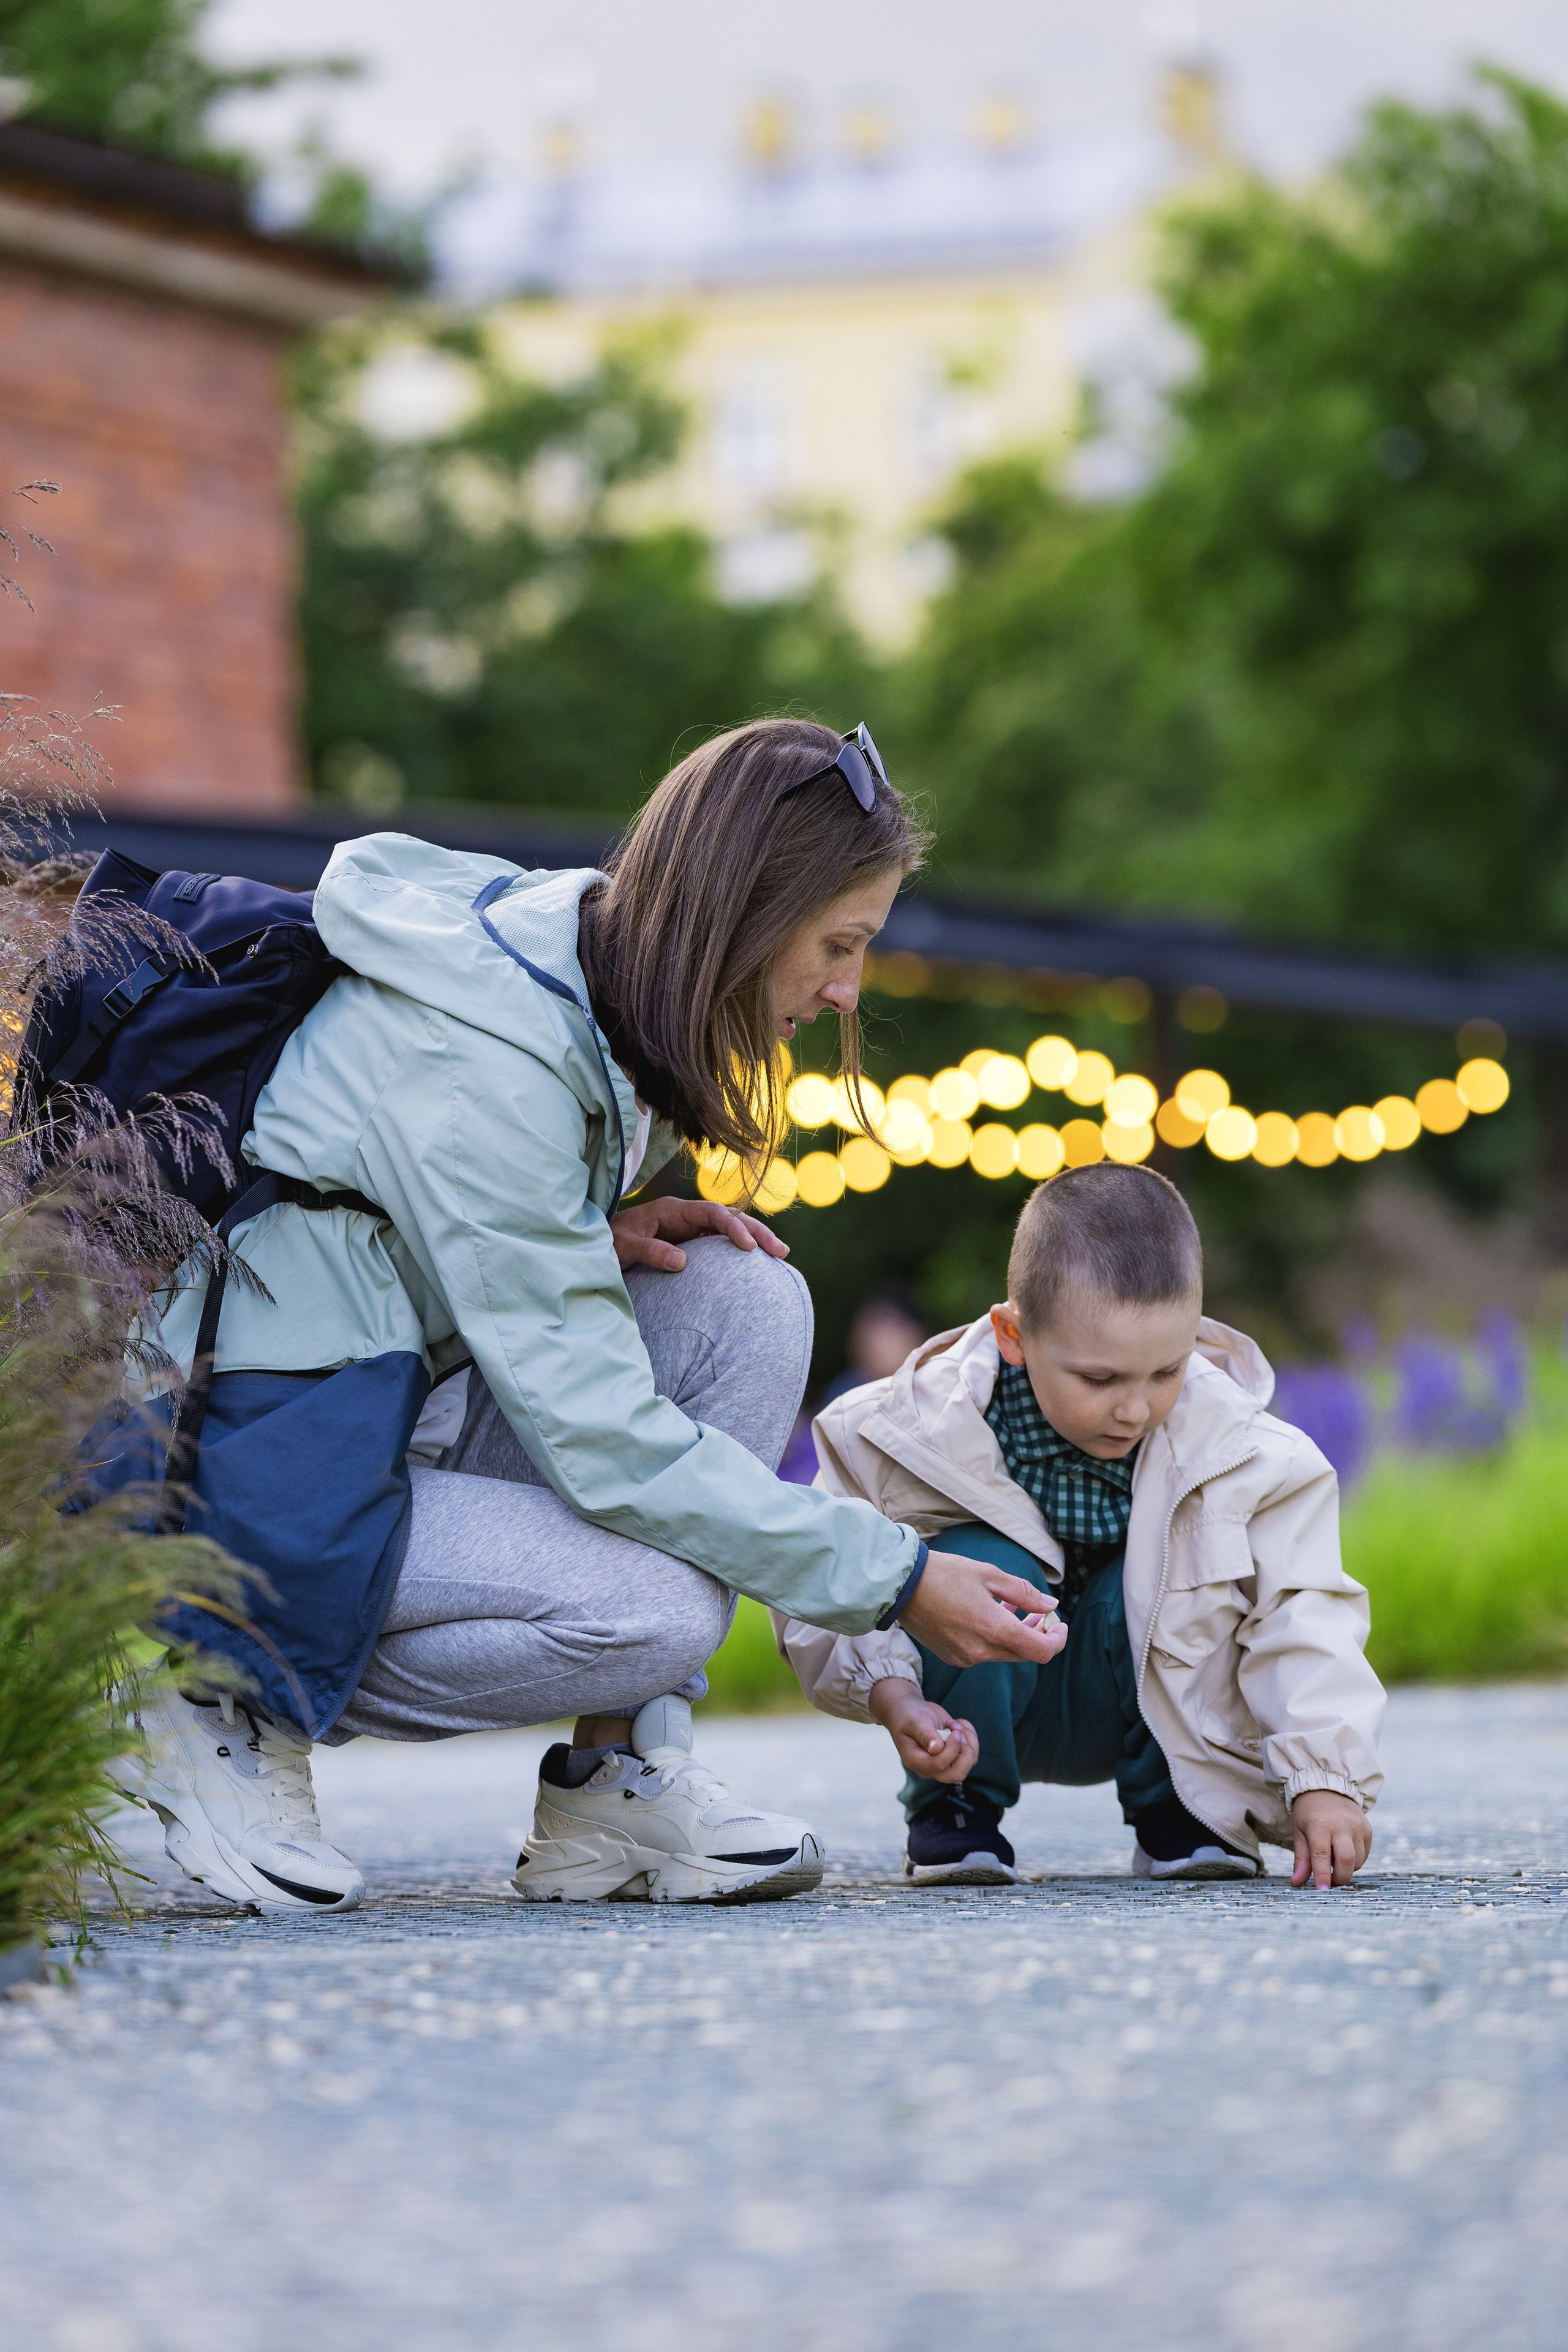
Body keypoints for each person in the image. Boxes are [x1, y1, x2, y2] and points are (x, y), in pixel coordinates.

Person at [111, 718, 1065, 1913]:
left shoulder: (592, 971)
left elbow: (405, 1200)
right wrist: (895, 1577)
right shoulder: (497, 1052)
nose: (845, 989)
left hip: (379, 1389)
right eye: (837, 943)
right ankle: (218, 1693)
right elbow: (603, 1444)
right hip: (238, 1447)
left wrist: (574, 1230)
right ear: (743, 910)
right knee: (655, 1611)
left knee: (742, 1300)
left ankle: (612, 1793)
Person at [775, 1162, 1385, 1890]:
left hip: (1149, 1705)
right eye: (1099, 1380)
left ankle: (1182, 1814)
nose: (1133, 1409)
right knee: (975, 1558)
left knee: (1170, 1566)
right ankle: (958, 1806)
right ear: (1012, 1335)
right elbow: (827, 1577)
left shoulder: (1251, 1456)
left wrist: (1325, 1776)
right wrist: (891, 1692)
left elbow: (1302, 1612)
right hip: (985, 1694)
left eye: (1165, 1372)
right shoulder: (895, 1431)